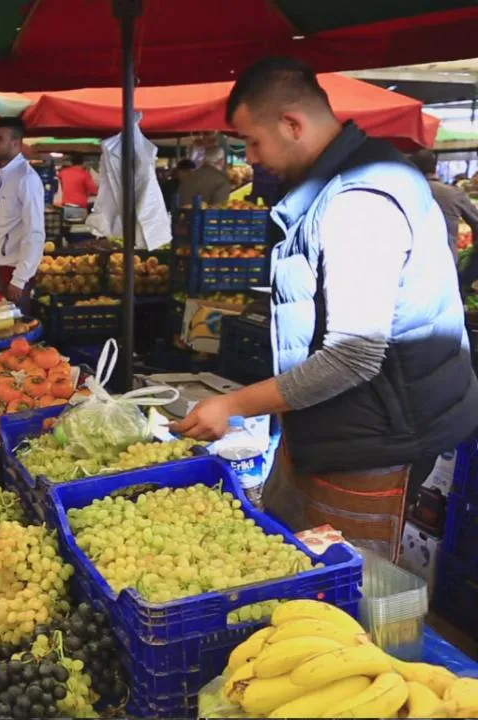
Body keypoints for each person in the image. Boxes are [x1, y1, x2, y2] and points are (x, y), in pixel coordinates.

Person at [174, 57, 478, 560]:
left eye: (252, 141)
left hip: (376, 440)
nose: (251, 157)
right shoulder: (335, 187)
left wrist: (233, 405)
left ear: (293, 124)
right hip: (338, 426)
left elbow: (353, 357)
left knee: (343, 599)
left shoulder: (359, 201)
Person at [0, 116, 45, 305]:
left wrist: (19, 279)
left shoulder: (26, 180)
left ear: (15, 143)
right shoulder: (2, 176)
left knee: (13, 330)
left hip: (11, 272)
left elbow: (35, 232)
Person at [410, 149, 478, 262]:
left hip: (413, 262)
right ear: (435, 169)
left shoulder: (405, 192)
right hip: (447, 262)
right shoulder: (454, 193)